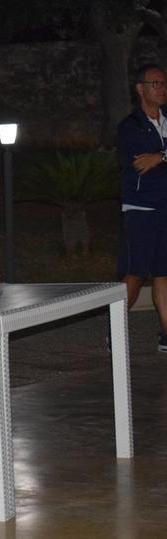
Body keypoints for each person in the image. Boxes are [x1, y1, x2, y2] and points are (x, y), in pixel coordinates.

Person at [116, 62, 167, 352]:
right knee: (135, 274)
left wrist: (161, 156)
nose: (162, 88)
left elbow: (156, 160)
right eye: (155, 83)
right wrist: (158, 158)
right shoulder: (130, 127)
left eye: (164, 83)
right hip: (142, 210)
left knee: (164, 273)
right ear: (140, 89)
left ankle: (166, 335)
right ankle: (115, 331)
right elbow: (141, 163)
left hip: (166, 208)